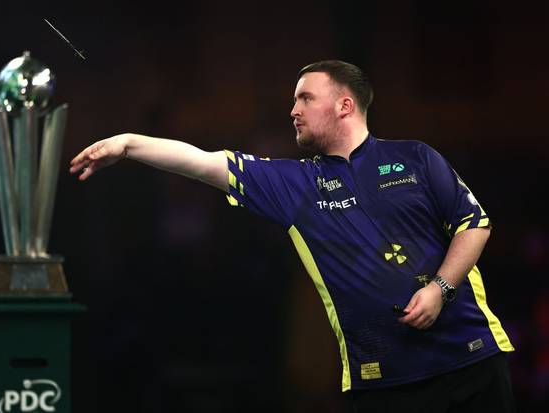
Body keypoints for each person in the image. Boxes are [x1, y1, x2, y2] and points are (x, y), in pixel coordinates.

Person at [69, 60, 516, 412]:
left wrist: (440, 289)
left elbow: (474, 225)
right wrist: (128, 143)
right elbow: (203, 162)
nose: (293, 110)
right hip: (383, 381)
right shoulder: (293, 185)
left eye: (305, 98)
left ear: (344, 105)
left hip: (472, 360)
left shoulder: (416, 157)